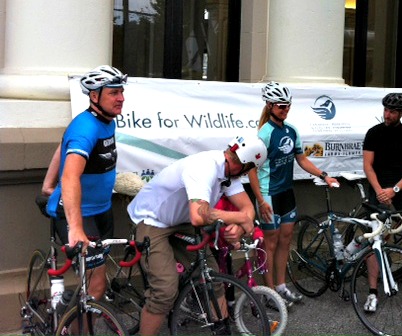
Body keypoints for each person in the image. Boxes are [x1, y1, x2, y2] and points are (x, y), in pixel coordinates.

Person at [127, 135, 267, 336]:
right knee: (165, 291)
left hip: (180, 221)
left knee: (212, 276)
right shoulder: (205, 167)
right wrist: (237, 218)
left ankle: (221, 330)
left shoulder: (229, 172)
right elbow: (198, 216)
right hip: (152, 220)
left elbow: (247, 209)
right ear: (246, 166)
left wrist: (241, 227)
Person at [248, 81, 339, 305]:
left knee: (285, 240)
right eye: (281, 106)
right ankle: (269, 294)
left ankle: (281, 286)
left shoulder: (291, 130)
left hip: (287, 192)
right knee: (270, 243)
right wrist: (260, 200)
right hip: (268, 194)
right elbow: (251, 169)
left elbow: (302, 159)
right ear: (269, 106)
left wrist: (323, 175)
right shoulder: (264, 133)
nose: (285, 109)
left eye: (288, 105)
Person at [46, 65, 127, 300]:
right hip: (81, 216)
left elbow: (63, 146)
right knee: (96, 287)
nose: (121, 98)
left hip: (102, 210)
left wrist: (47, 183)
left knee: (92, 284)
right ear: (94, 96)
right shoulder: (86, 127)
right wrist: (77, 227)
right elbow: (70, 176)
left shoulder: (107, 120)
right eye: (113, 93)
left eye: (121, 91)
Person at [362, 92, 402, 312]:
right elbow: (368, 166)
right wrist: (381, 191)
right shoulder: (374, 133)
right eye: (386, 110)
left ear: (401, 113)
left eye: (392, 112)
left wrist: (395, 190)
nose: (387, 115)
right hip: (379, 189)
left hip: (400, 189)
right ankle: (372, 292)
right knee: (376, 236)